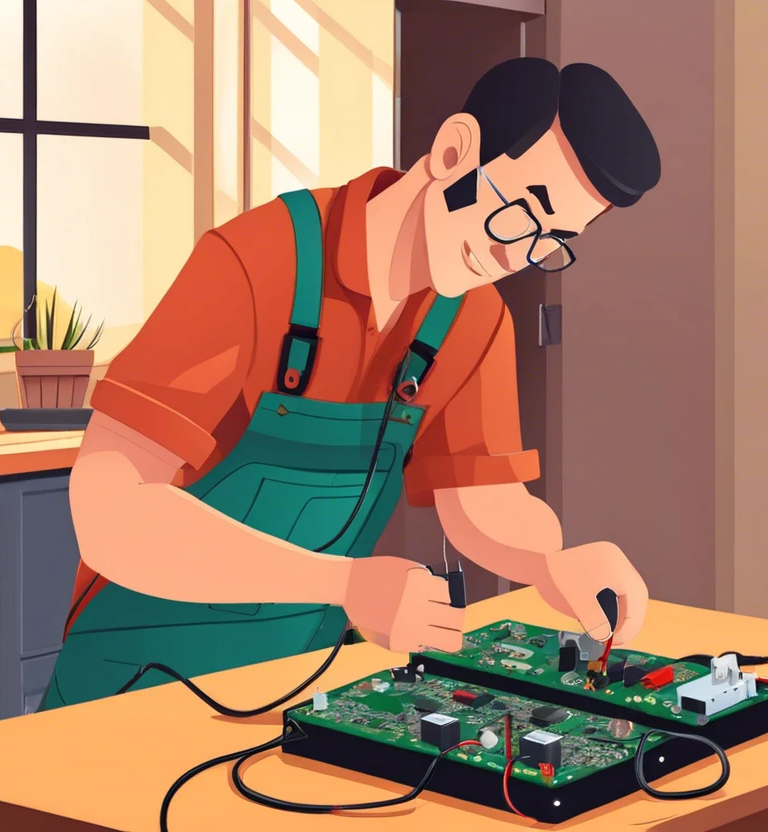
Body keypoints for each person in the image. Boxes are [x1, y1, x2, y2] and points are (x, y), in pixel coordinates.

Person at [38, 57, 662, 711]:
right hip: (132, 677)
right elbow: (111, 509)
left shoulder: (473, 317)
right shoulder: (256, 261)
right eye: (518, 214)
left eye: (553, 240)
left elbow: (483, 498)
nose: (517, 255)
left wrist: (548, 561)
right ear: (453, 151)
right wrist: (344, 584)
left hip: (299, 682)